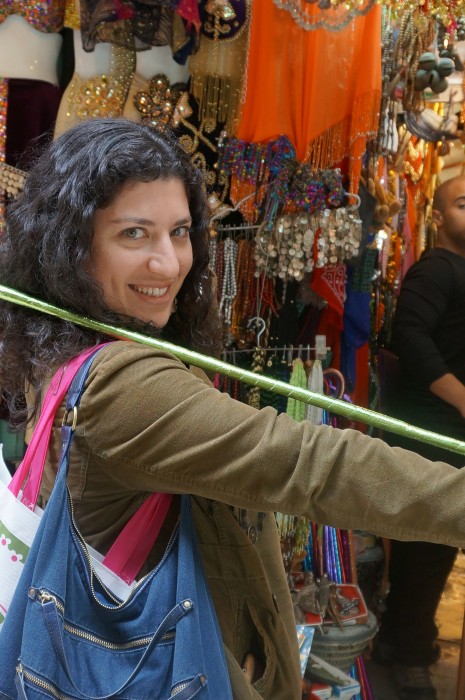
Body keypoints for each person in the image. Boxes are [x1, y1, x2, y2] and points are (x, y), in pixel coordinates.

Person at [1, 119, 465, 700]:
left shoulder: (78, 345)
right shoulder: (122, 388)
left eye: (179, 232)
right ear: (72, 247)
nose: (169, 263)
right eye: (134, 235)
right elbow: (312, 463)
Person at [373, 175, 465, 700]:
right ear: (437, 215)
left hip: (443, 426)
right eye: (461, 201)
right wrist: (459, 397)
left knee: (429, 542)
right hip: (433, 427)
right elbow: (408, 334)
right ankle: (407, 652)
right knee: (430, 540)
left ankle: (405, 638)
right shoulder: (437, 267)